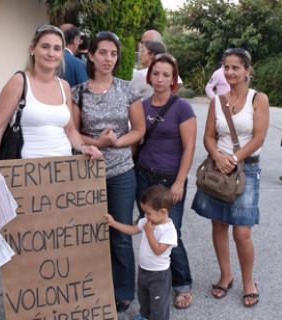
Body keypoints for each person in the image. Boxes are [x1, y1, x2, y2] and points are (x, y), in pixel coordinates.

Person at [0, 25, 101, 202]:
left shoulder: (65, 87)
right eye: (45, 46)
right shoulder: (19, 82)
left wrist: (84, 147)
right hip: (25, 176)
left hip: (62, 174)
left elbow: (69, 130)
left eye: (56, 48)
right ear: (33, 49)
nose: (51, 53)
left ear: (62, 54)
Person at [71, 31, 145, 312]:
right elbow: (74, 133)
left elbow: (139, 130)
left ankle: (123, 290)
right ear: (90, 55)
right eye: (102, 52)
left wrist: (116, 142)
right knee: (89, 232)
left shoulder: (127, 89)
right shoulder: (79, 92)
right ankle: (92, 285)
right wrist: (96, 143)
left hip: (121, 171)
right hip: (87, 172)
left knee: (119, 233)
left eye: (113, 54)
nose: (108, 59)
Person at [191, 48, 269, 307]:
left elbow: (258, 137)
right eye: (226, 67)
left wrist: (234, 159)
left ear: (248, 70)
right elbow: (209, 136)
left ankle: (249, 281)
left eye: (236, 67)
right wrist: (217, 155)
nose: (230, 72)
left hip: (245, 169)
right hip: (218, 169)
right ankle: (226, 275)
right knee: (218, 224)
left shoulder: (259, 99)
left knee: (243, 232)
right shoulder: (217, 100)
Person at [135, 53, 196, 309]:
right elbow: (136, 140)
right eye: (156, 73)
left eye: (166, 75)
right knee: (148, 227)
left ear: (173, 79)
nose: (160, 79)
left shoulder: (182, 107)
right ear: (149, 76)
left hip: (170, 179)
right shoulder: (141, 105)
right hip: (144, 176)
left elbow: (189, 147)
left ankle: (182, 284)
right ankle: (154, 278)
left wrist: (180, 182)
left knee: (172, 233)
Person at [105, 184, 177, 320]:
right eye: (145, 212)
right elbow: (132, 230)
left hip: (159, 275)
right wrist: (114, 223)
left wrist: (149, 232)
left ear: (162, 212)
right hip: (144, 270)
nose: (145, 216)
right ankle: (144, 315)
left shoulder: (169, 230)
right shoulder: (147, 221)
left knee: (158, 304)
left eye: (148, 213)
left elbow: (158, 250)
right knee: (143, 297)